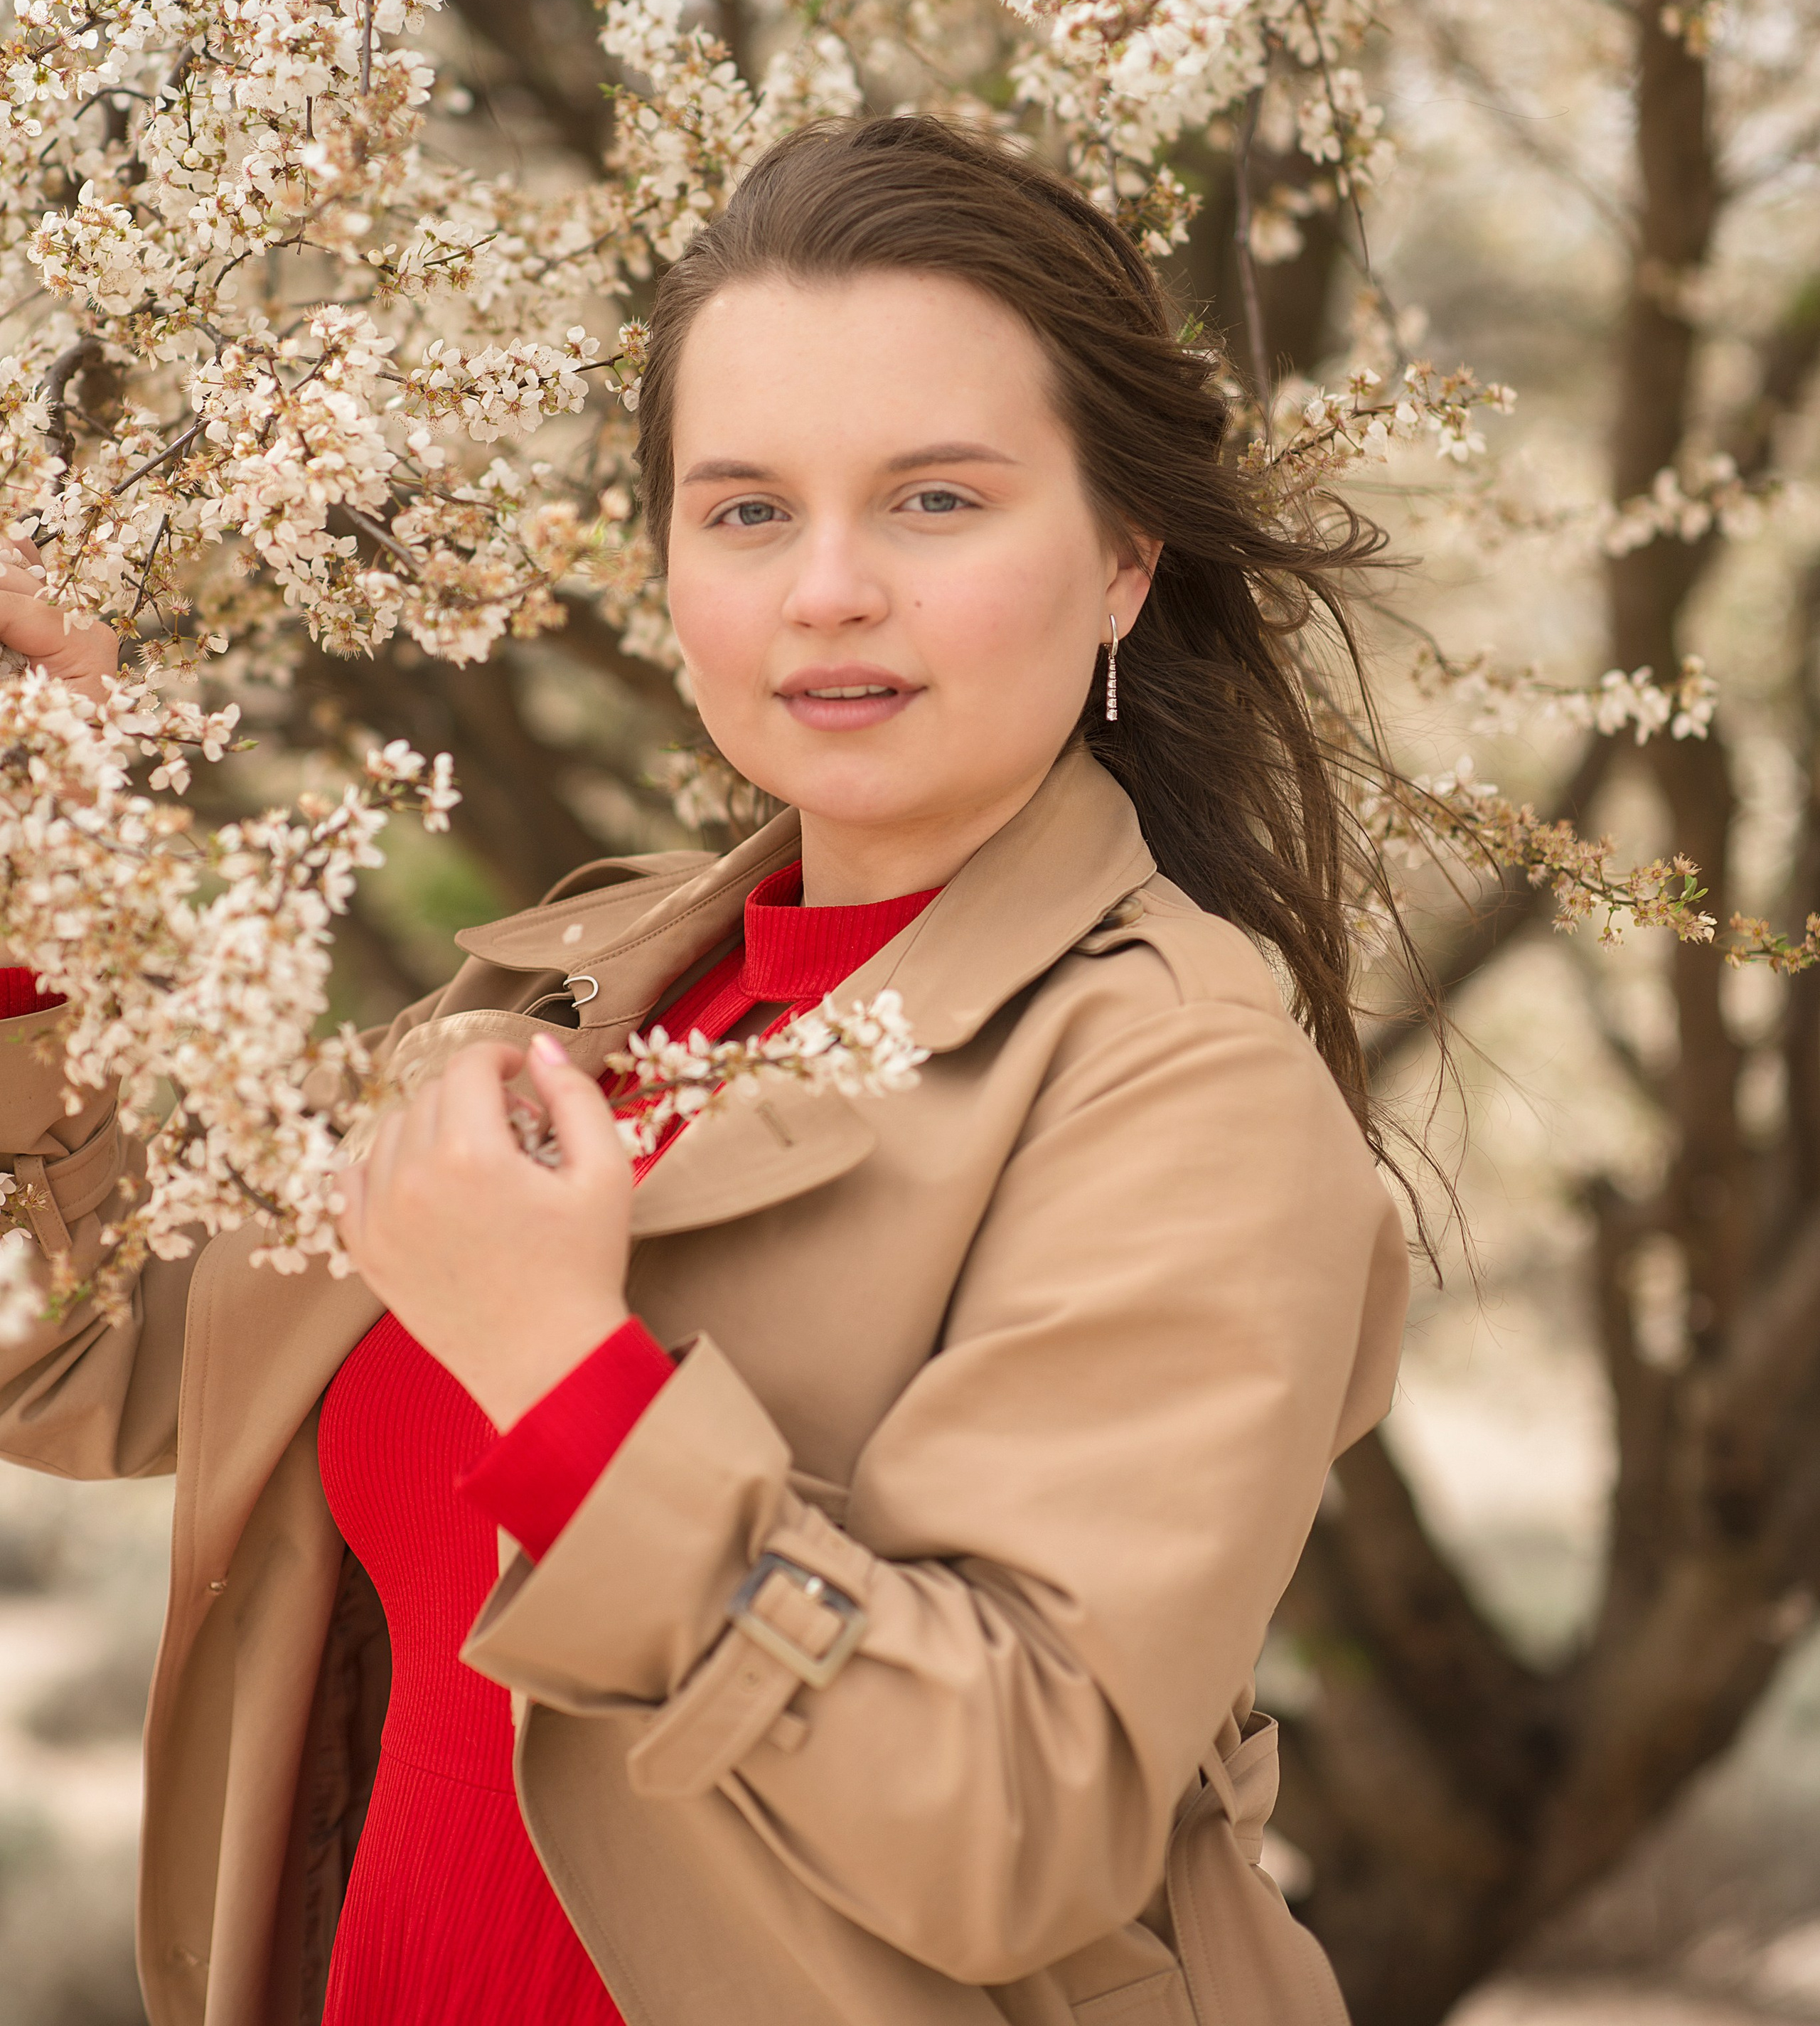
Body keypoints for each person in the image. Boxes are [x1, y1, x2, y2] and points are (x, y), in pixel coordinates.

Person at [0, 113, 1408, 2026]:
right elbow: (91, 1356)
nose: (827, 589)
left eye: (936, 501)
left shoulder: (1181, 1085)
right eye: (747, 509)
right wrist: (33, 875)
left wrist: (566, 1384)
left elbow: (1013, 1823)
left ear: (1122, 566)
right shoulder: (581, 991)